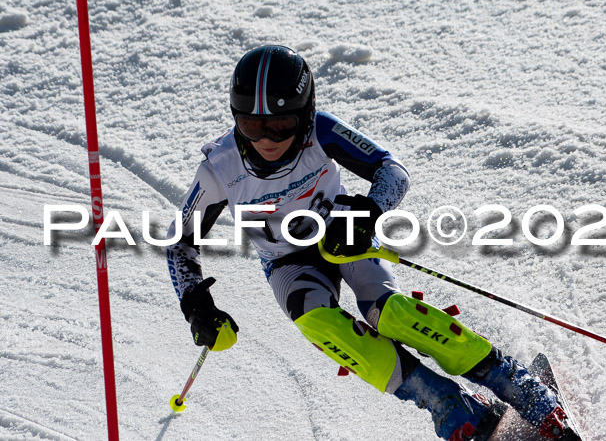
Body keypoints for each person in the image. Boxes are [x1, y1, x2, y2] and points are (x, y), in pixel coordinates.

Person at [166, 45, 574, 440]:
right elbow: (180, 241)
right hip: (288, 263)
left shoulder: (319, 130)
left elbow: (392, 170)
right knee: (319, 324)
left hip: (344, 237)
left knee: (389, 313)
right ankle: (449, 407)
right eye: (251, 125)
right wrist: (196, 304)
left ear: (303, 115)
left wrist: (367, 214)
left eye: (280, 125)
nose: (266, 139)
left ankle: (516, 384)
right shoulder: (219, 169)